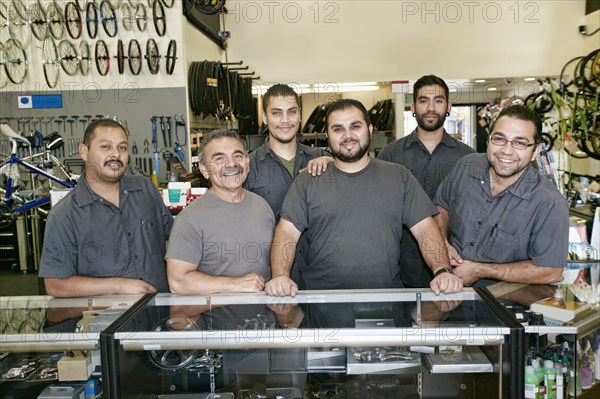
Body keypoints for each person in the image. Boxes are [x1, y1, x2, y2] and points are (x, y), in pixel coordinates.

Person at [265, 99, 463, 297]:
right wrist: (280, 276)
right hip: (321, 303)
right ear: (327, 135)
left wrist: (442, 270)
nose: (347, 135)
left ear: (369, 128)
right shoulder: (308, 180)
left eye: (355, 126)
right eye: (338, 129)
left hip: (386, 302)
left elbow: (424, 228)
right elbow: (286, 233)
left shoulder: (399, 176)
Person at [434, 104, 568, 286]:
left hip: (503, 307)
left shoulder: (549, 203)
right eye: (499, 139)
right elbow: (442, 205)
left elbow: (550, 271)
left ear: (535, 150)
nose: (506, 150)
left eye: (520, 142)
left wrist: (480, 270)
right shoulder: (466, 166)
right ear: (489, 140)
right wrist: (442, 243)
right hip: (447, 291)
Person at [39, 119, 173, 297]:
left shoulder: (145, 189)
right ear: (84, 152)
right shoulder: (64, 215)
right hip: (106, 320)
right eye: (105, 147)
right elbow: (55, 285)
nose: (115, 155)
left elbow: (170, 240)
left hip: (160, 313)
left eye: (122, 148)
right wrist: (118, 286)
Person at [377, 75, 475, 288]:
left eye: (438, 100)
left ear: (448, 106)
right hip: (400, 269)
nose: (431, 107)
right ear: (413, 107)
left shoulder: (469, 159)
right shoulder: (389, 155)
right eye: (423, 101)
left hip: (455, 267)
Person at [166, 130, 275, 294]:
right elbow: (178, 282)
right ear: (204, 169)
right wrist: (236, 284)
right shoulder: (189, 219)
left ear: (247, 162)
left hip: (264, 315)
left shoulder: (262, 206)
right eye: (219, 158)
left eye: (238, 156)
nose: (231, 164)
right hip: (215, 317)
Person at [245, 83, 332, 217]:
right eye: (276, 113)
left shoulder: (321, 157)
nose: (285, 120)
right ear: (264, 117)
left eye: (291, 112)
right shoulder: (249, 167)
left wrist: (334, 164)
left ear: (299, 114)